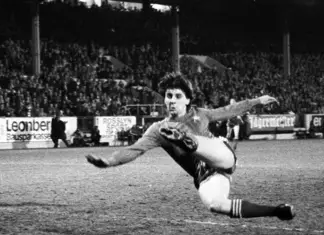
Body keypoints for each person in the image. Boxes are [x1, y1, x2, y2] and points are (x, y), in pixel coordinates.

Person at [85, 72, 295, 221]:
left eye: (177, 96)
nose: (172, 100)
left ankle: (188, 141)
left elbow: (229, 109)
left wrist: (257, 100)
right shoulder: (157, 129)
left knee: (203, 144)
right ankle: (276, 211)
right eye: (169, 96)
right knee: (215, 205)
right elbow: (135, 149)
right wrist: (109, 161)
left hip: (220, 154)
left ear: (187, 100)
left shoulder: (200, 114)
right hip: (208, 175)